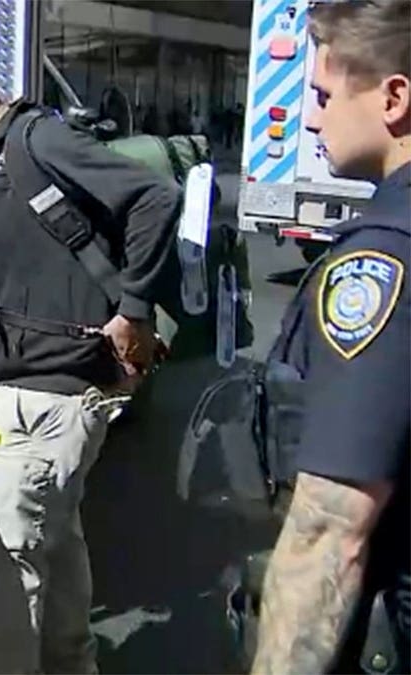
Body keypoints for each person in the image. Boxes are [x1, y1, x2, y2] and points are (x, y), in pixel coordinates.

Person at [0, 45, 181, 673]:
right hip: (25, 396)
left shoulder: (37, 140)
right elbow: (22, 267)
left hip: (47, 398)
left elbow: (154, 198)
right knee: (53, 550)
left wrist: (133, 311)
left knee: (1, 567)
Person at [251, 1, 410, 672]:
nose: (312, 117)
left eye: (321, 94)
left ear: (394, 96)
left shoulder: (382, 259)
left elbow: (330, 530)